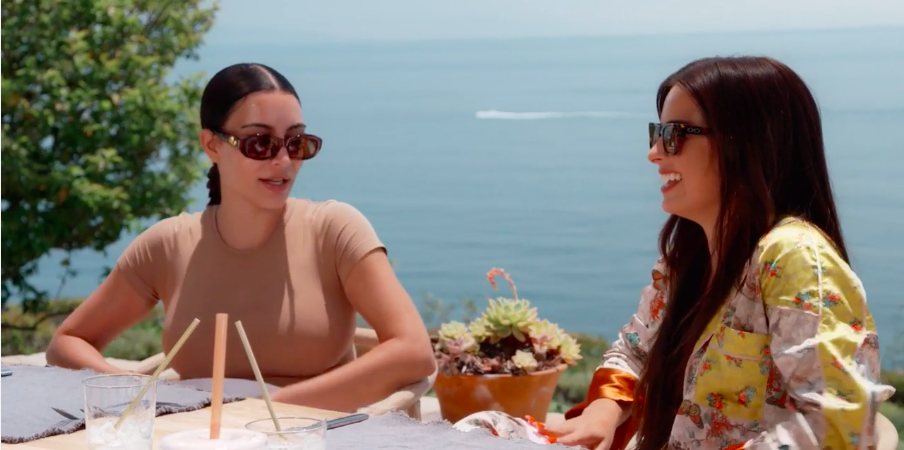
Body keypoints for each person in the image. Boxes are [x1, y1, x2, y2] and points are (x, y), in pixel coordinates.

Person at [542, 56, 895, 450]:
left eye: (675, 134)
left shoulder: (793, 257)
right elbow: (635, 350)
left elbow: (840, 424)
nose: (655, 152)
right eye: (656, 132)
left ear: (746, 142)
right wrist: (601, 413)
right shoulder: (691, 255)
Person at [46, 63, 436, 413]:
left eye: (296, 142)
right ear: (212, 145)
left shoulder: (334, 230)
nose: (283, 161)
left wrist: (265, 412)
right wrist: (134, 392)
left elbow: (414, 353)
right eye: (260, 143)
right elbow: (68, 342)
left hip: (311, 437)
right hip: (195, 437)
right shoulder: (167, 245)